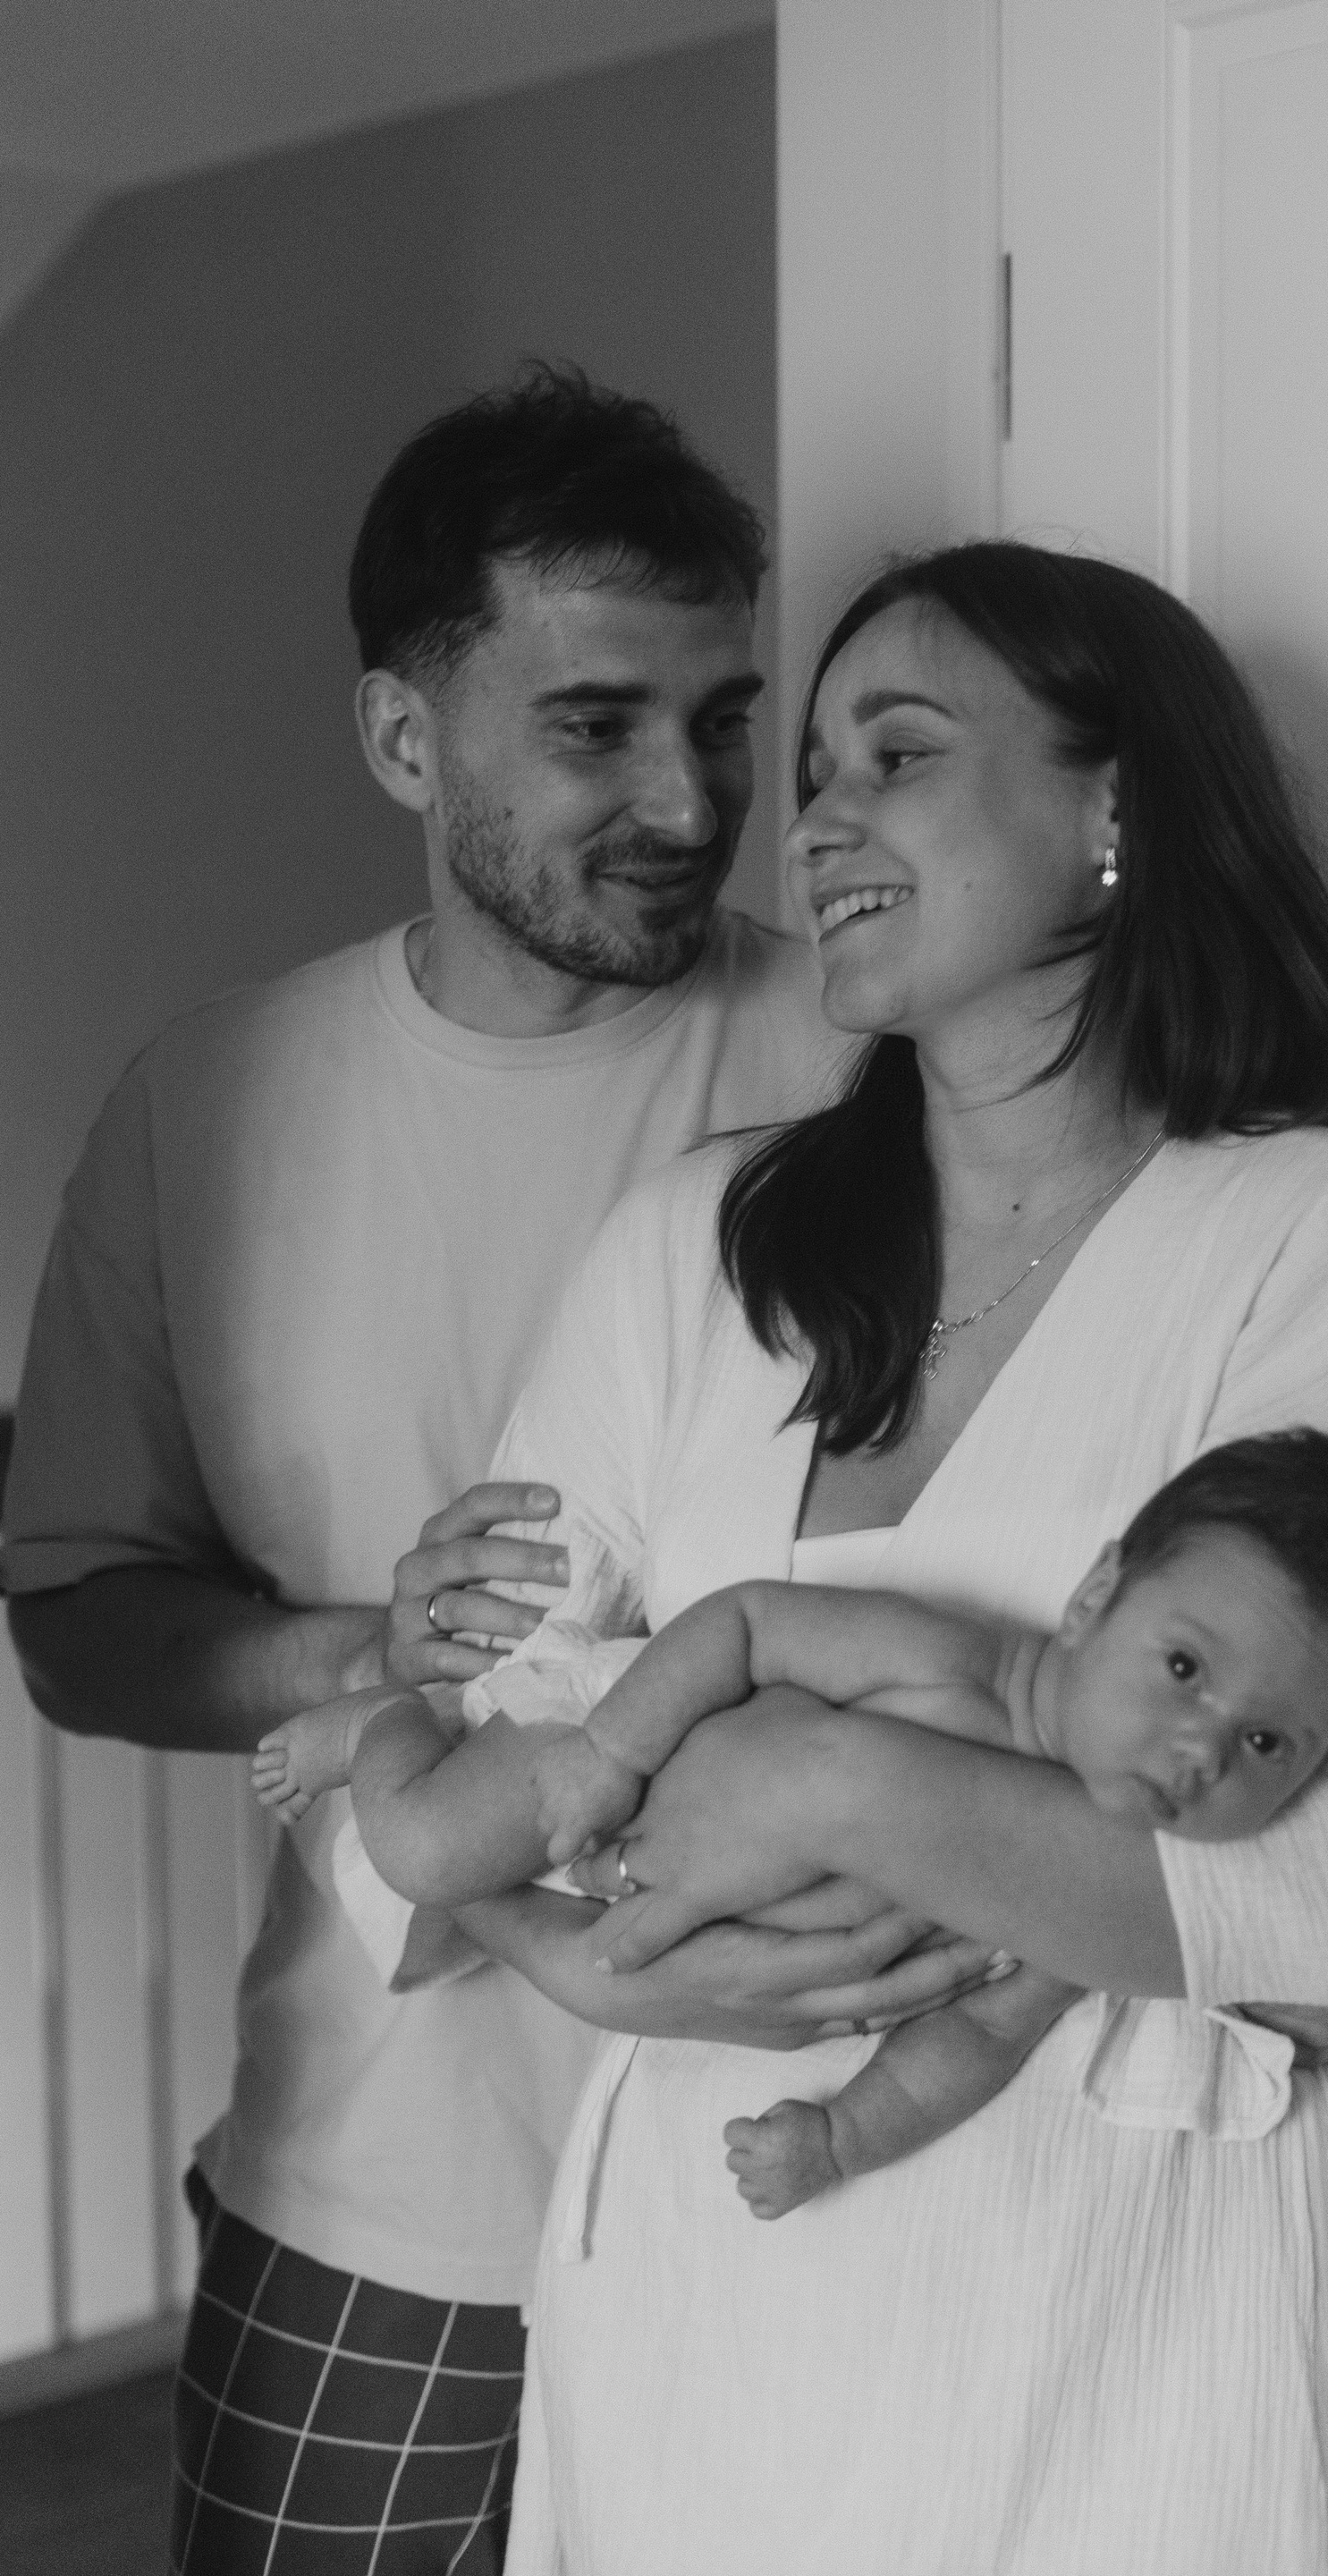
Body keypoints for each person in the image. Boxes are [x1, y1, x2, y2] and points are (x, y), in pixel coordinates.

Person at [411, 540, 1328, 2576]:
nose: (816, 820)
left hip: (1131, 2307)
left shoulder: (1319, 1236)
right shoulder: (694, 1249)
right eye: (814, 769)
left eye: (899, 755)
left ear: (1117, 811)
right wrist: (579, 1951)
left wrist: (829, 1778)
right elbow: (490, 1736)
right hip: (710, 2304)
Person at [0, 370, 994, 2575]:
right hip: (386, 2199)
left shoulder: (886, 1068)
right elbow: (76, 1625)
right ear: (402, 739)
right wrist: (374, 1648)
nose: (691, 798)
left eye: (724, 720)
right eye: (596, 725)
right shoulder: (206, 1107)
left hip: (821, 2156)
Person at [253, 1427, 1328, 2219]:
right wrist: (611, 1753)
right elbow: (745, 1625)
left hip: (633, 1897)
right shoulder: (957, 1669)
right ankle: (386, 1725)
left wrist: (845, 2137)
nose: (1200, 1751)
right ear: (1095, 1598)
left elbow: (979, 2038)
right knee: (426, 1851)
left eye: (1268, 1745)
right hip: (612, 1732)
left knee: (554, 1939)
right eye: (1184, 1669)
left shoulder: (1079, 1907)